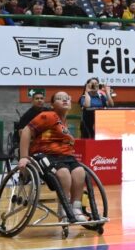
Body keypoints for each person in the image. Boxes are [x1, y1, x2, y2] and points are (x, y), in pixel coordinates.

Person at [17, 91, 89, 222]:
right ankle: (63, 207)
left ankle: (76, 208)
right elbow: (26, 131)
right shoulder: (48, 116)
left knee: (79, 172)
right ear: (52, 105)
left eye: (67, 98)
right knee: (64, 173)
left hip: (65, 156)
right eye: (60, 98)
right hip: (46, 155)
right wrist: (23, 157)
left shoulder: (63, 121)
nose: (65, 100)